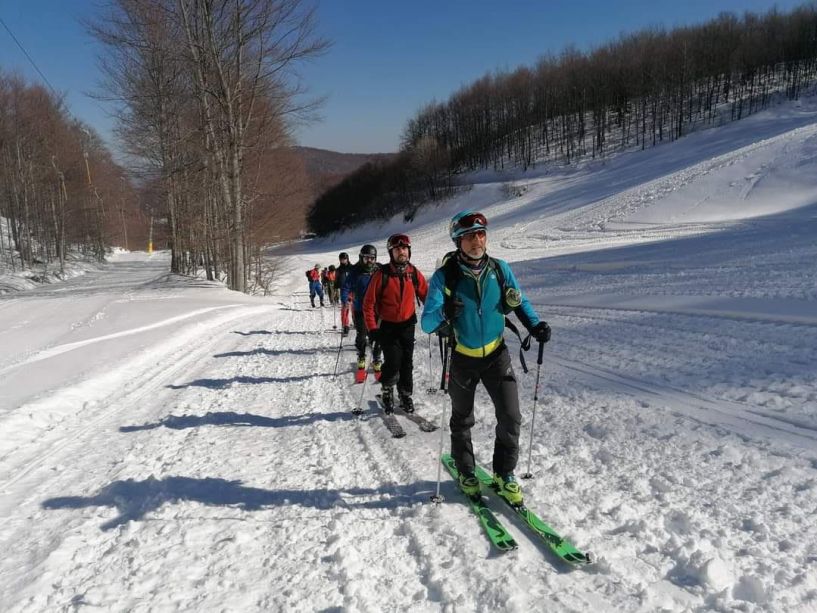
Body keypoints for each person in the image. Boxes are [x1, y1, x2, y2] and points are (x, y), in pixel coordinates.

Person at [421, 210, 551, 505]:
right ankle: (466, 471)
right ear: (458, 241)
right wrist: (444, 313)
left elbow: (519, 301)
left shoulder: (500, 269)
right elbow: (427, 322)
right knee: (462, 419)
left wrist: (535, 325)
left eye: (481, 234)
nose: (476, 240)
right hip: (461, 358)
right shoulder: (445, 277)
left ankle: (504, 474)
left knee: (510, 415)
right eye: (469, 236)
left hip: (496, 354)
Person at [362, 234, 428, 414]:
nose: (402, 252)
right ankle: (387, 389)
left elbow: (427, 297)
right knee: (393, 361)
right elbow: (368, 303)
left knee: (407, 362)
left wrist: (440, 313)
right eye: (398, 249)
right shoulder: (381, 274)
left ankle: (405, 394)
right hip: (387, 326)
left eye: (405, 248)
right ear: (391, 252)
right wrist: (372, 328)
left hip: (407, 325)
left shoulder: (413, 273)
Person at [341, 245, 382, 373]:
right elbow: (345, 287)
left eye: (372, 258)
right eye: (366, 258)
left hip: (376, 310)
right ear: (361, 258)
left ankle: (376, 358)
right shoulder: (355, 271)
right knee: (362, 335)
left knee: (376, 335)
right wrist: (345, 299)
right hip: (360, 309)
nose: (369, 261)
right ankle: (362, 356)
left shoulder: (379, 270)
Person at [335, 252, 354, 335]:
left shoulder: (353, 268)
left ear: (348, 259)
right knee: (345, 308)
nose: (344, 261)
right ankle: (345, 325)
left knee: (355, 308)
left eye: (345, 259)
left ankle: (356, 322)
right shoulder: (339, 270)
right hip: (344, 291)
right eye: (342, 259)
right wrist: (336, 285)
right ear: (340, 260)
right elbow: (336, 279)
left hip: (354, 290)